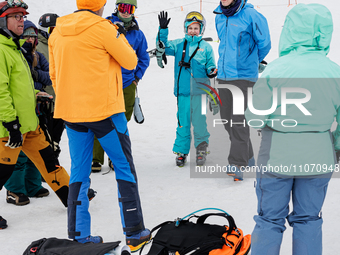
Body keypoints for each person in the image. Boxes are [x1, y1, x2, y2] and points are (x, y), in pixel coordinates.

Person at [49, 0, 151, 249]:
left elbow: (54, 73)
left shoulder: (58, 29)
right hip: (105, 111)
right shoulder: (104, 28)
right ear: (101, 5)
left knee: (79, 174)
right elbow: (130, 61)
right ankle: (135, 232)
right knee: (125, 168)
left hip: (72, 113)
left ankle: (80, 236)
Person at [245, 4, 340, 254]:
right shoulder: (334, 71)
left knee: (269, 219)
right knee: (309, 219)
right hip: (318, 156)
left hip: (277, 155)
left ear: (290, 30)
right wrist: (337, 146)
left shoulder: (277, 68)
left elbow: (254, 118)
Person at [0, 0, 70, 229]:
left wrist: (35, 94)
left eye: (23, 16)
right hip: (10, 129)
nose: (22, 20)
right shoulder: (1, 49)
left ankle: (74, 200)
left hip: (30, 125)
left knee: (50, 162)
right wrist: (10, 123)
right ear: (3, 21)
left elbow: (19, 85)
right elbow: (1, 91)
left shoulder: (14, 47)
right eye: (16, 16)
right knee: (3, 171)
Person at [90, 0, 150, 173]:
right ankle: (96, 158)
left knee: (120, 122)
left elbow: (143, 58)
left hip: (126, 85)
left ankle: (115, 159)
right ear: (117, 8)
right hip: (105, 83)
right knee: (100, 120)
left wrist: (136, 78)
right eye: (123, 7)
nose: (125, 12)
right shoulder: (105, 26)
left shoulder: (137, 34)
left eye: (129, 8)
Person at [214, 0, 271, 181]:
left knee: (238, 120)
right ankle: (249, 156)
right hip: (224, 75)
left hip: (244, 76)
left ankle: (237, 163)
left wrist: (251, 62)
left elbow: (265, 44)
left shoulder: (251, 15)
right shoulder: (219, 16)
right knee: (226, 120)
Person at [157, 11, 217, 167]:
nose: (193, 31)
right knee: (183, 122)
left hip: (200, 93)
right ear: (185, 28)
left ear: (201, 30)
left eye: (196, 28)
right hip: (183, 93)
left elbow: (211, 64)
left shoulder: (206, 47)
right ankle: (182, 151)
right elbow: (162, 47)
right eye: (190, 28)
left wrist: (212, 70)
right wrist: (162, 31)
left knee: (199, 123)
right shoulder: (178, 45)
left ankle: (201, 150)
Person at [37, 13, 64, 165]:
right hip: (45, 100)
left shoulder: (61, 44)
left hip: (60, 100)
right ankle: (45, 167)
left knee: (56, 135)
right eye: (53, 29)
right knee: (44, 137)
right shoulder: (37, 46)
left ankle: (52, 163)